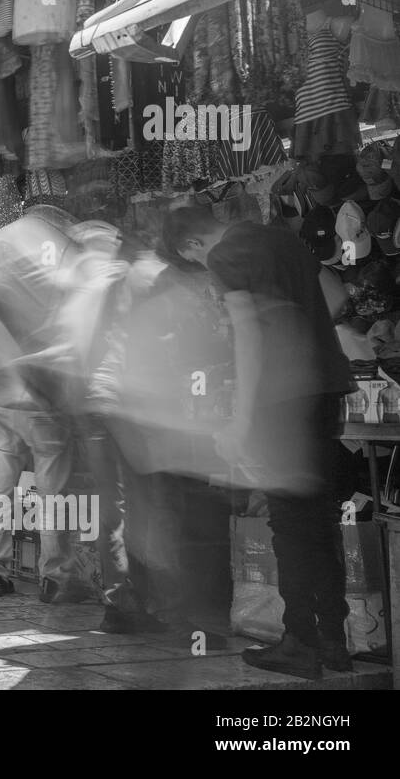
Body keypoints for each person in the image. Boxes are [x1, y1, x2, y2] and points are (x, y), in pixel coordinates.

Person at [162, 206, 354, 679]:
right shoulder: (284, 238)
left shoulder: (226, 256)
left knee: (289, 523)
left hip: (279, 397)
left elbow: (247, 335)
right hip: (327, 387)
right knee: (321, 516)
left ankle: (299, 642)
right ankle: (334, 640)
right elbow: (336, 296)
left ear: (192, 246)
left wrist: (242, 418)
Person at [0, 204, 84, 602]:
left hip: (4, 396)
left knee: (1, 488)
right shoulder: (61, 247)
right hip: (44, 391)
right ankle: (55, 578)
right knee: (53, 489)